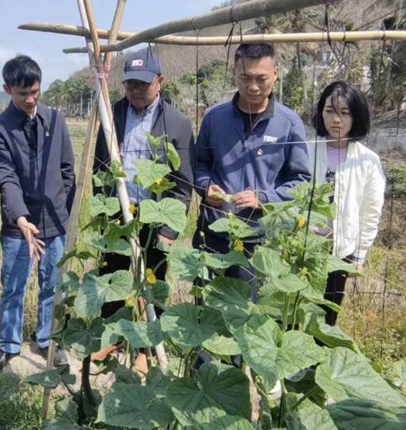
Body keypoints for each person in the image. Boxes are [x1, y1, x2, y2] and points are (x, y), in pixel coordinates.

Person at [92, 48, 195, 373]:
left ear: (160, 81)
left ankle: (145, 349)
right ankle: (113, 337)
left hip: (154, 220)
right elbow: (100, 166)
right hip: (119, 215)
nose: (135, 90)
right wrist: (105, 209)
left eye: (142, 84)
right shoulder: (112, 115)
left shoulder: (176, 123)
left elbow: (182, 181)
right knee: (113, 277)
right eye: (130, 84)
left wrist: (168, 231)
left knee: (151, 283)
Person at [194, 43, 311, 300]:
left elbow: (301, 181)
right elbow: (200, 165)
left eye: (262, 78)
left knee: (248, 319)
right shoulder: (214, 118)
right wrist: (205, 188)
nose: (253, 86)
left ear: (276, 73)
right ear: (235, 73)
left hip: (259, 242)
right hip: (213, 234)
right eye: (245, 78)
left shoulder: (289, 123)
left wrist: (263, 198)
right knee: (206, 314)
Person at [0, 55, 76, 374]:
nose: (30, 99)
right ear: (7, 89)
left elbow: (67, 170)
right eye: (22, 93)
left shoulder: (55, 120)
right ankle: (8, 345)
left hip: (54, 220)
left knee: (52, 284)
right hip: (17, 224)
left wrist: (61, 209)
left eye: (35, 91)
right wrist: (21, 218)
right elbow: (5, 175)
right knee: (13, 285)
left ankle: (48, 340)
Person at [310, 81, 385, 326]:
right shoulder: (306, 151)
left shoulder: (367, 160)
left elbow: (370, 211)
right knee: (295, 310)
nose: (336, 120)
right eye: (330, 111)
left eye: (345, 113)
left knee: (327, 316)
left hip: (341, 251)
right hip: (306, 247)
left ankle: (319, 363)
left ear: (356, 116)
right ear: (321, 112)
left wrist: (360, 255)